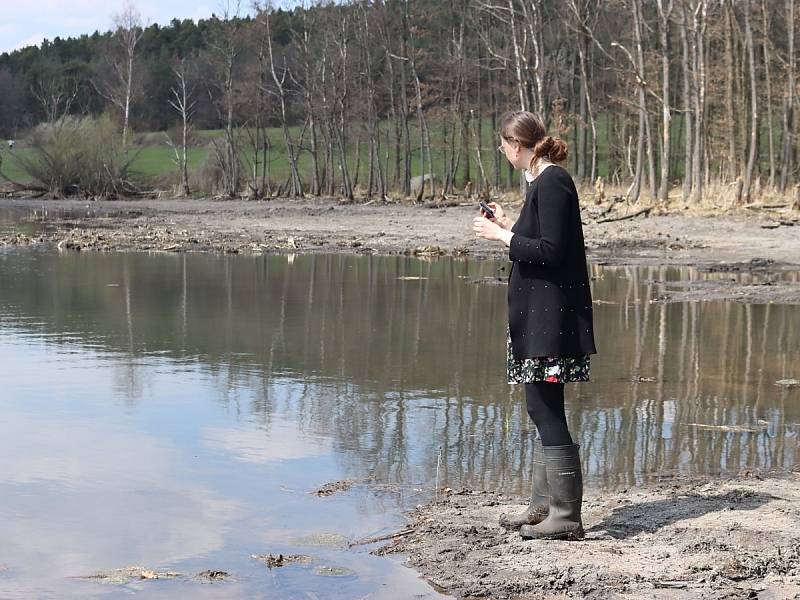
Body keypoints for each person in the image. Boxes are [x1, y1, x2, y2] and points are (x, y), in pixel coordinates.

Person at [472, 111, 597, 541]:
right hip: (540, 321)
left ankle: (565, 515)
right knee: (541, 408)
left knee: (544, 408)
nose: (504, 154)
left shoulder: (553, 182)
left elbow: (550, 250)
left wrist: (500, 238)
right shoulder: (541, 183)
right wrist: (509, 225)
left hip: (552, 323)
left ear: (517, 144)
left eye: (504, 146)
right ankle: (544, 508)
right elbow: (540, 237)